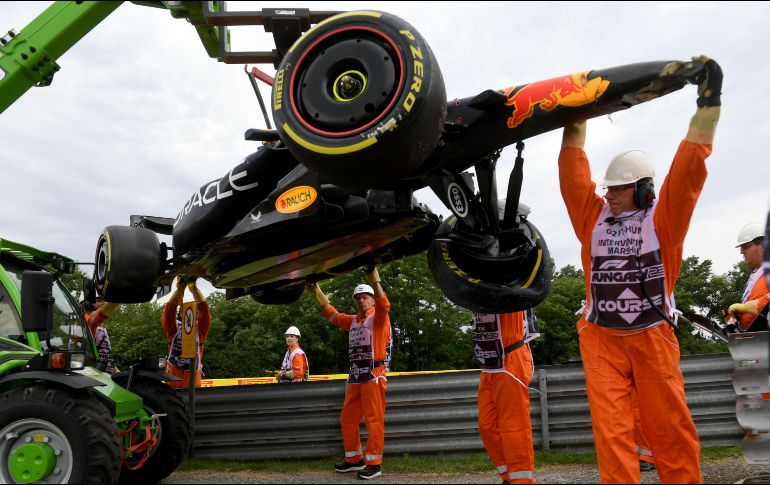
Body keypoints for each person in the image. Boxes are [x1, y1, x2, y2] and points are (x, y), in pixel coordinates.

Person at [558, 55, 721, 483]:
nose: (608, 195)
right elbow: (574, 177)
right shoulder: (592, 218)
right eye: (607, 189)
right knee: (612, 435)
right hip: (601, 339)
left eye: (618, 189)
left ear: (644, 189)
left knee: (669, 430)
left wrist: (707, 110)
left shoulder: (662, 222)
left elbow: (687, 178)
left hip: (652, 335)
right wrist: (574, 116)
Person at [307, 266, 391, 480]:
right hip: (355, 376)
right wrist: (316, 291)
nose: (361, 301)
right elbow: (333, 315)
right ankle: (355, 459)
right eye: (358, 298)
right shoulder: (353, 321)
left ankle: (374, 464)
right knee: (347, 418)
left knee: (374, 420)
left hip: (374, 375)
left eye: (365, 298)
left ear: (372, 300)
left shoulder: (379, 318)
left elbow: (385, 304)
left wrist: (375, 279)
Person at [472, 309, 538, 484]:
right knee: (486, 425)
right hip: (490, 364)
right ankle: (509, 477)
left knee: (514, 426)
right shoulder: (478, 289)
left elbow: (511, 288)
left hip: (511, 358)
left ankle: (521, 481)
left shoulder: (509, 286)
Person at [162, 277, 212, 389]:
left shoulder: (199, 329)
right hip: (172, 382)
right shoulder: (174, 328)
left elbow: (205, 312)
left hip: (193, 383)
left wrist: (194, 289)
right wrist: (180, 289)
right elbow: (169, 311)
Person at [725, 222, 768, 331]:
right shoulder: (756, 274)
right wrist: (735, 320)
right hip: (751, 339)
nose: (741, 252)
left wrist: (746, 307)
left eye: (746, 246)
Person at [83, 296, 118, 375]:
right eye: (99, 300)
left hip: (107, 371)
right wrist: (117, 297)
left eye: (104, 300)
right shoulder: (87, 320)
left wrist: (113, 367)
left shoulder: (99, 325)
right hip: (97, 372)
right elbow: (101, 314)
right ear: (87, 303)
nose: (103, 303)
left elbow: (105, 352)